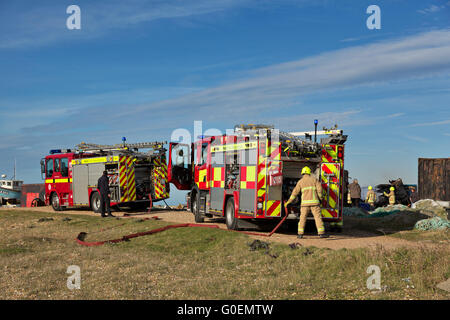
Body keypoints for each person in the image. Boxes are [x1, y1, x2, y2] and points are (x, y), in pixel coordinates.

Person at [284, 166, 329, 239]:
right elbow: (320, 190)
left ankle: (300, 234)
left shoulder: (300, 182)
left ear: (302, 173)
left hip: (304, 204)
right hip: (315, 203)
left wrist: (288, 202)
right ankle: (321, 234)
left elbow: (294, 193)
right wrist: (321, 198)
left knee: (302, 219)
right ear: (309, 172)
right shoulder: (315, 180)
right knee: (318, 218)